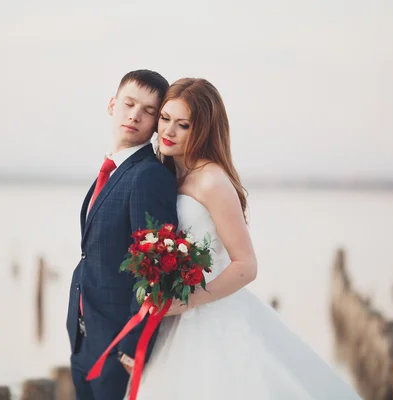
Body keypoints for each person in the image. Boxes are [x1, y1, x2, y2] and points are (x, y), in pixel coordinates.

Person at [126, 78, 362, 399]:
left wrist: (189, 300)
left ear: (204, 130)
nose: (168, 131)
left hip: (209, 316)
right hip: (173, 318)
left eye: (182, 125)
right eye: (165, 119)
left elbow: (247, 265)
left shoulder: (212, 181)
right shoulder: (165, 174)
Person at [66, 70, 179, 400]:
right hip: (84, 335)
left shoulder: (149, 176)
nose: (135, 115)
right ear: (112, 105)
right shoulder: (112, 168)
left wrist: (133, 346)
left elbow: (159, 266)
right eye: (129, 104)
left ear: (157, 122)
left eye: (148, 111)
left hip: (119, 347)